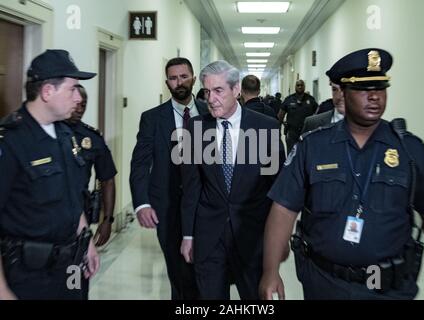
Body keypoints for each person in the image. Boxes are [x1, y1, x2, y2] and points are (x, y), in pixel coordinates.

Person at [259, 48, 424, 300]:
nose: (374, 97)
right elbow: (283, 209)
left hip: (389, 287)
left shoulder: (409, 149)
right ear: (343, 93)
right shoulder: (313, 146)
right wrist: (270, 272)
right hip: (324, 281)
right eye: (363, 89)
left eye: (380, 88)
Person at [180, 60, 285, 300]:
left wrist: (278, 239)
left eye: (218, 91)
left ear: (236, 90)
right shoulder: (195, 128)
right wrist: (188, 235)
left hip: (252, 237)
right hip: (209, 237)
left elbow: (277, 191)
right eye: (207, 92)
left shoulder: (265, 128)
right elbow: (191, 188)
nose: (211, 98)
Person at [0, 49, 100, 300]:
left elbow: (72, 198)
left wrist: (86, 239)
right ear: (47, 92)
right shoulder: (11, 142)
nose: (79, 98)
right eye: (72, 89)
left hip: (72, 265)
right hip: (29, 274)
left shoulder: (66, 136)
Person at [130, 57, 208, 300]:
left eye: (184, 76)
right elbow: (140, 164)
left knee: (206, 268)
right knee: (178, 270)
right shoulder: (152, 118)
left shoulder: (211, 113)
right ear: (167, 83)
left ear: (194, 79)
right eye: (173, 78)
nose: (179, 82)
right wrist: (142, 203)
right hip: (167, 206)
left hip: (205, 205)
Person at [66, 84, 117, 299]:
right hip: (42, 225)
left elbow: (107, 179)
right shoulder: (48, 133)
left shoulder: (92, 138)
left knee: (74, 282)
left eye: (83, 105)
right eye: (76, 103)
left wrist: (107, 220)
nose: (79, 108)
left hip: (78, 223)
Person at [278, 80, 318, 153]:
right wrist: (278, 130)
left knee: (306, 155)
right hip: (292, 133)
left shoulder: (310, 99)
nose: (300, 87)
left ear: (304, 87)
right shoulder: (289, 99)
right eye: (298, 85)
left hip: (307, 133)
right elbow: (280, 115)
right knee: (292, 155)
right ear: (295, 87)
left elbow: (317, 114)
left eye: (301, 85)